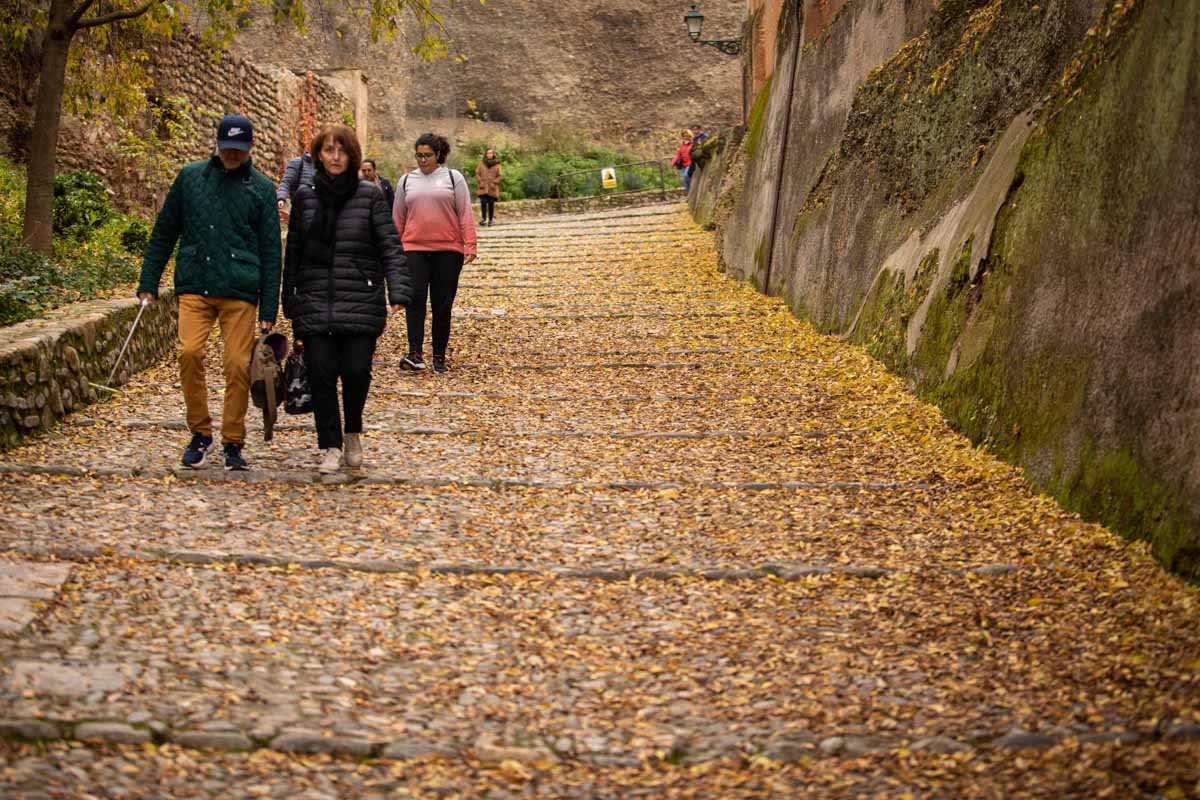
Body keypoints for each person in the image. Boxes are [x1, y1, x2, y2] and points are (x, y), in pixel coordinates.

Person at [137, 113, 281, 471]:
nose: (232, 155)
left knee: (236, 366)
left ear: (250, 148)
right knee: (188, 353)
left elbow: (271, 252)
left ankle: (233, 440)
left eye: (239, 149)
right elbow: (164, 232)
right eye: (227, 148)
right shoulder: (190, 178)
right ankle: (200, 433)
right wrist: (148, 282)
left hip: (240, 289)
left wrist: (268, 308)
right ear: (217, 144)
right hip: (195, 284)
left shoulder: (262, 189)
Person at [283, 124, 412, 474]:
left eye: (341, 150)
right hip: (314, 300)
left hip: (359, 297)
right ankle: (330, 444)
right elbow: (293, 251)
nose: (334, 157)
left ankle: (352, 428)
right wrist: (288, 299)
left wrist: (398, 290)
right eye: (328, 150)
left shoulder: (369, 196)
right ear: (318, 155)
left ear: (351, 155)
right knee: (322, 376)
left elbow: (389, 245)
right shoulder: (305, 198)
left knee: (356, 372)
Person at [392, 133, 477, 374]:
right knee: (415, 300)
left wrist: (469, 243)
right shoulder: (406, 181)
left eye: (427, 155)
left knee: (442, 304)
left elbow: (464, 212)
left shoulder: (453, 178)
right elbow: (398, 218)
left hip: (448, 250)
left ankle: (439, 354)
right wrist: (391, 250)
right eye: (418, 155)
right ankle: (415, 352)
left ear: (438, 154)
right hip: (413, 249)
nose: (422, 160)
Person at [277, 150, 316, 220]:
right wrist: (281, 198)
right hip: (299, 208)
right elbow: (286, 181)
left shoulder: (324, 166)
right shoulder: (297, 162)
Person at [474, 147, 502, 227]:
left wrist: (494, 182)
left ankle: (491, 220)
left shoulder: (497, 165)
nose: (489, 154)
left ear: (493, 154)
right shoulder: (481, 163)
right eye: (488, 153)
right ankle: (483, 219)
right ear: (486, 154)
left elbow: (499, 175)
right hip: (483, 187)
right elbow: (477, 173)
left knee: (491, 204)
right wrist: (480, 181)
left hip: (492, 187)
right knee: (483, 202)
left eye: (491, 153)